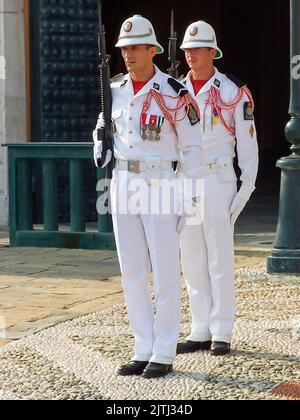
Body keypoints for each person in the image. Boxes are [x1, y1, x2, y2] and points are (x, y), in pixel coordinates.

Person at [93, 15, 202, 378]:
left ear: (152, 50)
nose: (128, 54)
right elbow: (101, 125)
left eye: (135, 47)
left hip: (161, 185)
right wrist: (101, 148)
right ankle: (142, 345)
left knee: (166, 270)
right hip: (124, 182)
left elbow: (193, 150)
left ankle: (164, 349)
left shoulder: (174, 92)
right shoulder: (115, 89)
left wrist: (189, 197)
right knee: (132, 271)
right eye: (124, 48)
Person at [177, 21, 259, 356]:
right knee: (192, 258)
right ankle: (200, 327)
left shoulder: (232, 91)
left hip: (218, 180)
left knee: (219, 259)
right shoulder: (174, 91)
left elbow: (248, 145)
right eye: (187, 51)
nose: (191, 56)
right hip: (186, 181)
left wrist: (246, 187)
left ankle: (222, 328)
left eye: (198, 50)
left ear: (213, 52)